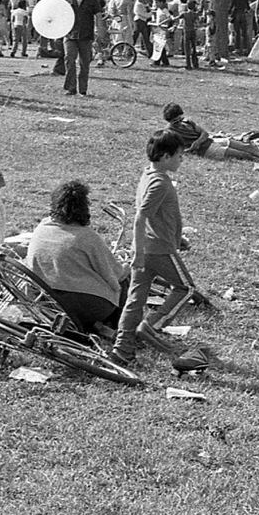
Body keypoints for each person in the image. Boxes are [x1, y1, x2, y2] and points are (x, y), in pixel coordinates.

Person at [110, 130, 194, 365]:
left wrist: (177, 239)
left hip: (151, 246)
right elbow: (140, 218)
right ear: (166, 156)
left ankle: (122, 349)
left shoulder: (149, 174)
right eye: (179, 156)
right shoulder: (159, 183)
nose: (181, 160)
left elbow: (160, 217)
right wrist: (138, 253)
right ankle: (151, 325)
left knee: (135, 300)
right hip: (157, 250)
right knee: (185, 288)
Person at [24, 180, 129, 334]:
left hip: (47, 303)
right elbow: (115, 275)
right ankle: (120, 325)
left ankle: (91, 325)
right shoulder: (86, 237)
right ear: (84, 207)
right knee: (125, 279)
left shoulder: (41, 229)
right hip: (87, 306)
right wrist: (127, 266)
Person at [163, 103, 259, 163]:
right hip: (207, 150)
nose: (179, 122)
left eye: (180, 118)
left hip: (212, 142)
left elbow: (204, 133)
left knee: (247, 147)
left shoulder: (187, 122)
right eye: (175, 121)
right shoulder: (170, 132)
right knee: (244, 155)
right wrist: (192, 148)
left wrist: (197, 142)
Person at [63, 0, 103, 96]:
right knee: (69, 59)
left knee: (84, 63)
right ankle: (71, 88)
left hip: (86, 35)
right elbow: (60, 15)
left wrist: (99, 31)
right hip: (69, 34)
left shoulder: (92, 0)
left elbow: (99, 16)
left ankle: (83, 90)